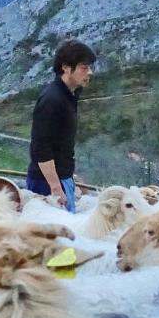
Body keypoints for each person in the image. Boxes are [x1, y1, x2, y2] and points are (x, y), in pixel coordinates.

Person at [26, 39, 96, 213]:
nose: (90, 72)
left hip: (62, 178)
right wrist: (56, 189)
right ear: (66, 67)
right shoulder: (52, 99)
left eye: (89, 67)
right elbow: (41, 149)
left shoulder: (70, 94)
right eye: (84, 67)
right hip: (47, 183)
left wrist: (69, 174)